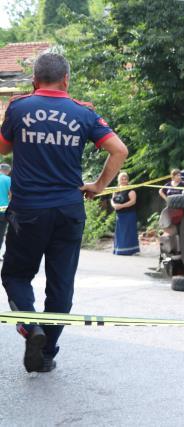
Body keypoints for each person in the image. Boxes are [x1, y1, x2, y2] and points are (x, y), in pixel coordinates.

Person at [0, 52, 128, 373]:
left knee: (15, 274)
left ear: (34, 79)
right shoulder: (83, 114)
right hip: (69, 211)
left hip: (27, 211)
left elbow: (2, 148)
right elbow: (119, 149)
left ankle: (31, 328)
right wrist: (98, 185)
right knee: (61, 286)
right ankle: (46, 355)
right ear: (66, 80)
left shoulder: (18, 108)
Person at [111, 172, 139, 256]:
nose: (123, 181)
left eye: (125, 179)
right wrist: (114, 205)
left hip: (129, 214)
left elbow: (133, 201)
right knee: (120, 233)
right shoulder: (116, 189)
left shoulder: (130, 190)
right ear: (119, 180)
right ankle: (119, 249)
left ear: (127, 180)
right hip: (119, 215)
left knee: (129, 232)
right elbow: (112, 199)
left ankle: (130, 250)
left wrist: (122, 206)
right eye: (122, 179)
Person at [0, 163, 11, 259]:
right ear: (8, 171)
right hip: (3, 210)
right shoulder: (8, 179)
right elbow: (11, 194)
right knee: (1, 233)